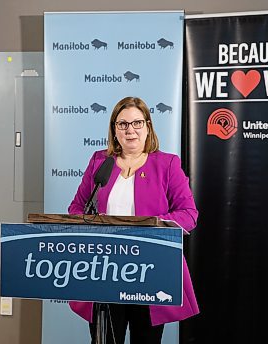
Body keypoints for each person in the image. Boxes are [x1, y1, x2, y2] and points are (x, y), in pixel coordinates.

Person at [68, 96, 199, 344]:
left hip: (150, 269)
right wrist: (91, 221)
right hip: (104, 269)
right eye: (123, 124)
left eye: (137, 123)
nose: (130, 130)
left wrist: (152, 224)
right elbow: (76, 207)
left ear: (148, 126)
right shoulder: (99, 161)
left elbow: (188, 214)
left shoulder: (167, 164)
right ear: (114, 130)